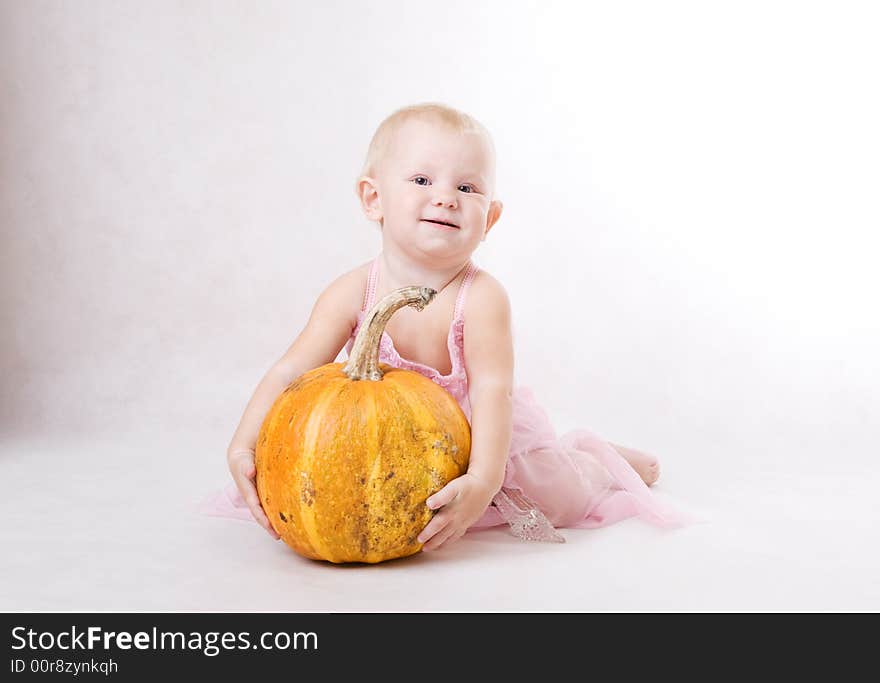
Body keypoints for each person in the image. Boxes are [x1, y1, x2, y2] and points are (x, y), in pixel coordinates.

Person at [202, 102, 688, 551]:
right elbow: (291, 374)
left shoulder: (481, 298)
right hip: (389, 445)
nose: (446, 198)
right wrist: (244, 442)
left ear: (490, 217)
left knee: (558, 497)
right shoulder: (352, 292)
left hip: (480, 437)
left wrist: (482, 480)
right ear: (374, 199)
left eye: (467, 187)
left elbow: (494, 392)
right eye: (421, 180)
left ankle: (595, 464)